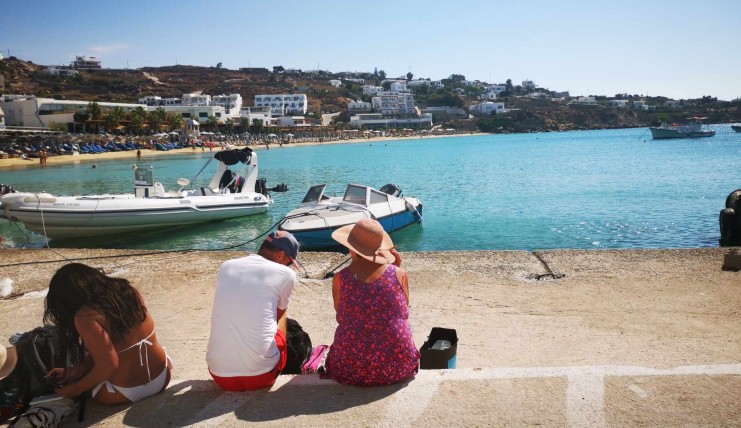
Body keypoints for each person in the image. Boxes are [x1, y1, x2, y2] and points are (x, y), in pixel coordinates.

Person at [43, 263, 172, 404]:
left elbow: (108, 365)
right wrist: (75, 371)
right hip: (162, 377)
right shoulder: (129, 292)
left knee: (88, 369)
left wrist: (76, 388)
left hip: (126, 391)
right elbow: (122, 345)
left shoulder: (85, 317)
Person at [322, 218, 420, 386]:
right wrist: (396, 267)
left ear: (352, 249)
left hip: (350, 368)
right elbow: (404, 309)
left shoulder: (340, 278)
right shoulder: (399, 274)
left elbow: (341, 311)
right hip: (398, 367)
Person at [206, 231, 301, 391]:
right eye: (288, 262)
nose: (288, 266)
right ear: (280, 254)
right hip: (261, 376)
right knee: (283, 313)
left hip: (218, 375)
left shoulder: (226, 266)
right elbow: (277, 317)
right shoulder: (286, 274)